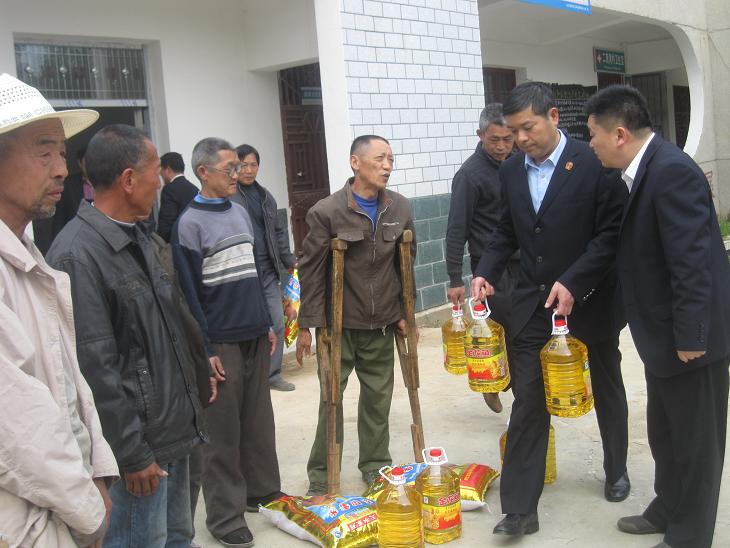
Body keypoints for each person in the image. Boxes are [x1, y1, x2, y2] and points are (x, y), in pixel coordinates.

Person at [470, 82, 630, 536]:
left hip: (591, 300)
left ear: (553, 117)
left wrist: (574, 281)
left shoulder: (593, 161)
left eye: (528, 128)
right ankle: (520, 509)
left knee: (605, 384)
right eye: (512, 132)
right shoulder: (511, 171)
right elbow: (506, 230)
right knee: (529, 400)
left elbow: (610, 234)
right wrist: (485, 270)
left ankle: (616, 468)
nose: (520, 140)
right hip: (534, 304)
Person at [47, 124, 208, 548]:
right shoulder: (77, 255)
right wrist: (133, 454)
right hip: (137, 455)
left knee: (178, 538)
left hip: (172, 432)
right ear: (129, 180)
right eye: (155, 170)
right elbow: (94, 368)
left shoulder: (142, 237)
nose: (161, 181)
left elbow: (170, 325)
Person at [585, 84, 730, 548]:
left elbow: (692, 263)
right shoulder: (642, 171)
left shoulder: (671, 172)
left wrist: (692, 336)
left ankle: (690, 536)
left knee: (696, 443)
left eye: (593, 134)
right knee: (667, 434)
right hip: (662, 336)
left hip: (689, 341)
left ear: (620, 134)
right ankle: (668, 508)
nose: (591, 144)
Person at [0, 72, 117, 548]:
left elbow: (69, 385)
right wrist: (88, 510)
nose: (62, 170)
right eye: (43, 153)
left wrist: (98, 471)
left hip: (59, 510)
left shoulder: (29, 255)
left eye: (62, 154)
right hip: (25, 523)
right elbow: (17, 427)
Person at [173, 137, 283, 548]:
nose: (238, 174)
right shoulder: (188, 224)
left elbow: (252, 271)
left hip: (254, 333)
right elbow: (188, 297)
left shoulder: (239, 212)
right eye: (230, 169)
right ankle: (224, 517)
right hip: (221, 342)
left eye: (240, 167)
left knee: (258, 422)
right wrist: (205, 350)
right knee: (221, 434)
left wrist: (265, 322)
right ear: (203, 172)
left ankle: (262, 492)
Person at [296, 134, 416, 496]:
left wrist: (404, 311)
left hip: (381, 324)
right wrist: (309, 325)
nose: (387, 166)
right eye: (380, 159)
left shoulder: (400, 207)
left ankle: (375, 466)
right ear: (355, 162)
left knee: (378, 399)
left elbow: (407, 262)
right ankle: (322, 474)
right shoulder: (327, 211)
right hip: (340, 324)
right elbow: (311, 272)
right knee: (331, 399)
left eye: (390, 159)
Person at [445, 103, 517, 413]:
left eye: (507, 139)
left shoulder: (519, 164)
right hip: (490, 270)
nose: (502, 147)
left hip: (523, 263)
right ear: (480, 135)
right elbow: (456, 229)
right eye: (494, 139)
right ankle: (497, 384)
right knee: (505, 330)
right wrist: (454, 278)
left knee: (525, 329)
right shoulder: (469, 175)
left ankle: (503, 383)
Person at [231, 143, 298, 391]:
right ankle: (251, 376)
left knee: (277, 322)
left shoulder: (266, 197)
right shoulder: (229, 197)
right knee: (250, 326)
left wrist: (289, 260)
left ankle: (273, 374)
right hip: (242, 273)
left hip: (267, 271)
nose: (249, 170)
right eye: (244, 165)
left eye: (253, 165)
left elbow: (278, 232)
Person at [156, 151, 198, 242]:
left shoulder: (169, 189)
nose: (161, 177)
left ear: (167, 169)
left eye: (161, 173)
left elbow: (166, 222)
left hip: (177, 242)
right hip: (194, 239)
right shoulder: (194, 188)